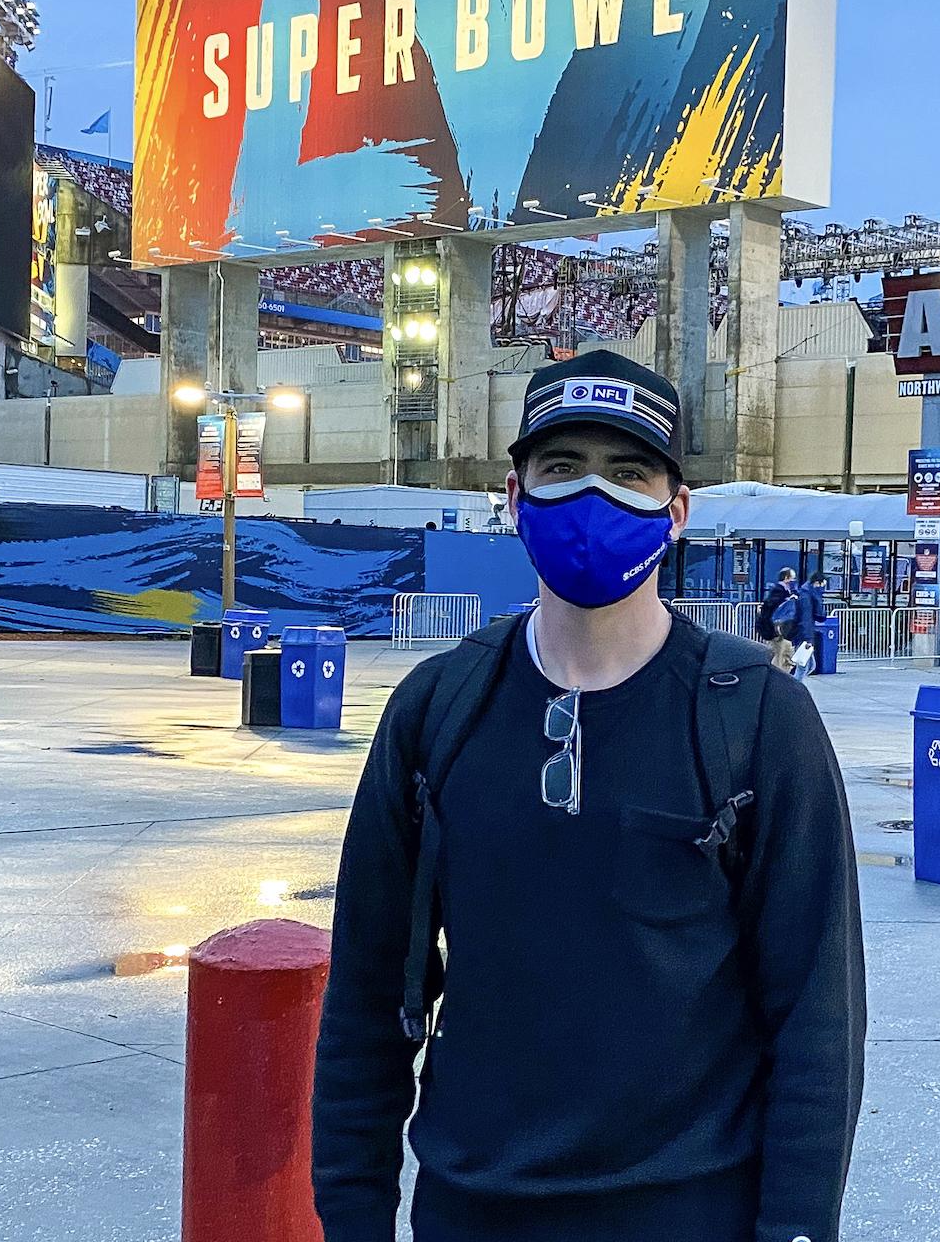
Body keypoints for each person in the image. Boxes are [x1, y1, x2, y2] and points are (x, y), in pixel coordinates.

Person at [314, 350, 867, 1242]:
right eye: (562, 468)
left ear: (676, 510)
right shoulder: (438, 710)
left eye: (628, 472)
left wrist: (797, 1229)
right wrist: (352, 1216)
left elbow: (818, 1018)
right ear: (514, 496)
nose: (594, 497)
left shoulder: (759, 720)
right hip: (470, 1211)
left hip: (690, 1215)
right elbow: (369, 999)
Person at [758, 566, 798, 670]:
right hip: (777, 631)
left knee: (783, 656)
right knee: (780, 657)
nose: (794, 581)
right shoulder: (779, 592)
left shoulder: (783, 592)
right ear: (786, 578)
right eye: (792, 578)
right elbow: (771, 611)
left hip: (779, 631)